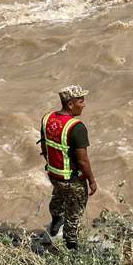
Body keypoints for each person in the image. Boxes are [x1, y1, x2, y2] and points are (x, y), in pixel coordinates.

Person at [40, 85, 97, 249]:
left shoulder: (47, 118)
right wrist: (92, 181)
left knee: (58, 197)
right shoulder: (77, 127)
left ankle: (56, 222)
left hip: (53, 175)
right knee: (75, 213)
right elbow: (83, 161)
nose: (84, 104)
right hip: (72, 180)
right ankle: (71, 245)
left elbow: (44, 146)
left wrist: (53, 164)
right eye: (81, 101)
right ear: (70, 104)